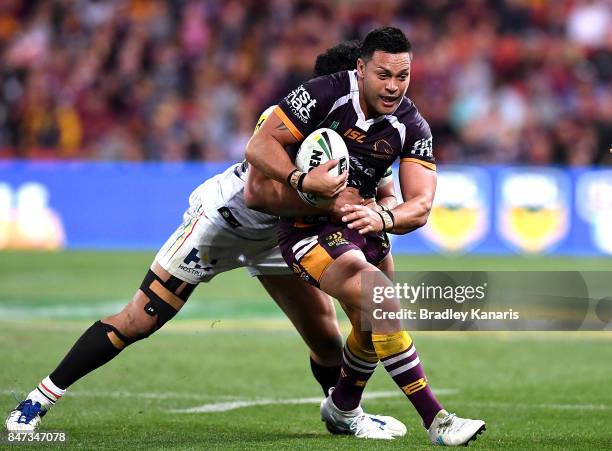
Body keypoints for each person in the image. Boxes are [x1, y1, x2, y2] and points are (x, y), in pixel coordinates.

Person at [5, 41, 407, 438]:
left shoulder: (370, 135)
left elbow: (382, 192)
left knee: (325, 336)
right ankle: (38, 400)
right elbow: (256, 193)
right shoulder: (284, 118)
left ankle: (344, 415)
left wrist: (376, 212)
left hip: (282, 235)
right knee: (140, 319)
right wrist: (326, 199)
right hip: (224, 222)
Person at [245, 26, 486, 445]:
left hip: (367, 226)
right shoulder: (323, 94)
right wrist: (302, 180)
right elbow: (259, 146)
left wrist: (385, 219)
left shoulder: (411, 124)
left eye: (403, 76)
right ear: (361, 69)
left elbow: (421, 205)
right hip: (308, 230)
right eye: (383, 75)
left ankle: (341, 407)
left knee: (371, 324)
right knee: (381, 298)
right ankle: (437, 420)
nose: (393, 86)